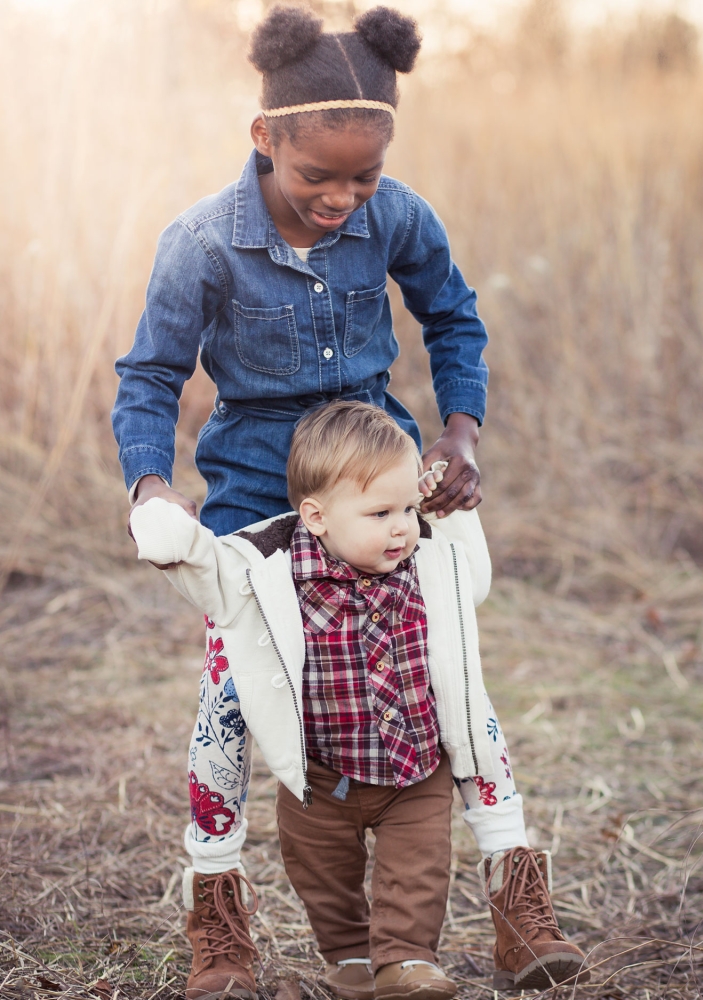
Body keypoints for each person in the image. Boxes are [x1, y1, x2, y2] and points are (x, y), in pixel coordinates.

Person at [112, 7, 587, 999]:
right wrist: (153, 488)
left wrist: (459, 434)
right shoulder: (202, 242)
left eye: (363, 176)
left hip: (383, 482)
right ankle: (218, 925)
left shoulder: (399, 216)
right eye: (316, 177)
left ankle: (518, 905)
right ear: (264, 138)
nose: (341, 198)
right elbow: (150, 376)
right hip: (257, 496)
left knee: (452, 680)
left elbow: (453, 316)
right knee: (235, 697)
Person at [130, 403, 588, 1000]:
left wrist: (448, 505)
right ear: (316, 517)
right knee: (325, 879)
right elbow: (202, 569)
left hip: (415, 771)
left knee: (417, 872)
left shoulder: (430, 560)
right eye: (380, 514)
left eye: (407, 510)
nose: (401, 528)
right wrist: (163, 523)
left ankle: (406, 960)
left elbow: (472, 575)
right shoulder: (267, 570)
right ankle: (348, 959)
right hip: (321, 779)